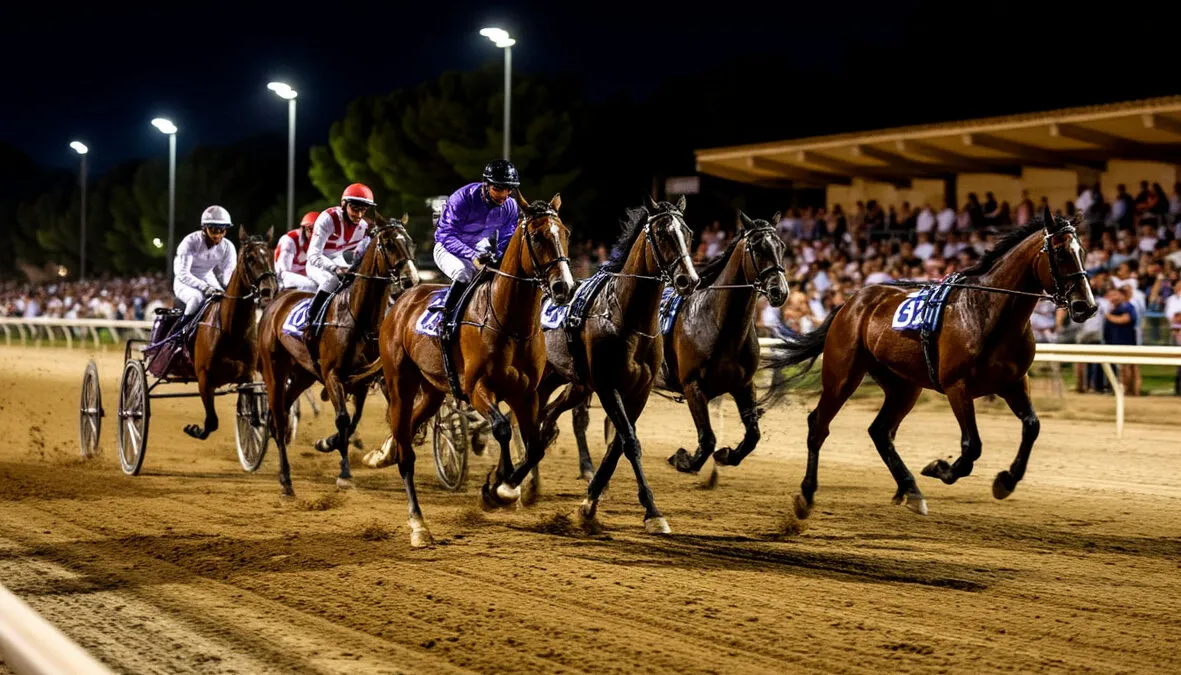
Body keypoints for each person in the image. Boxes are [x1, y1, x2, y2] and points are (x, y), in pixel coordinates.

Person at [434, 158, 521, 345]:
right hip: (447, 247)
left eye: (508, 189)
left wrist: (498, 258)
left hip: (479, 247)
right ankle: (445, 320)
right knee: (464, 272)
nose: (504, 195)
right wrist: (472, 256)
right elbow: (446, 235)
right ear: (486, 184)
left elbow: (506, 240)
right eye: (498, 188)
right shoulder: (462, 198)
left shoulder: (510, 207)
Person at [304, 184, 375, 342]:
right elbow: (313, 254)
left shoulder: (363, 227)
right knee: (331, 280)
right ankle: (310, 322)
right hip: (317, 261)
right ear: (344, 204)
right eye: (355, 209)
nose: (359, 214)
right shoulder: (328, 218)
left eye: (363, 210)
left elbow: (359, 256)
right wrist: (334, 268)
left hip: (338, 259)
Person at [171, 205, 237, 335]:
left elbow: (227, 276)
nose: (218, 234)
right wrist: (204, 287)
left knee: (225, 300)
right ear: (204, 228)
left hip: (207, 277)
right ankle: (178, 334)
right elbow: (183, 273)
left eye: (222, 230)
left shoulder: (228, 247)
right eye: (213, 229)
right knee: (196, 299)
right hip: (183, 281)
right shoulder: (190, 242)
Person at [275, 210, 319, 292]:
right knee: (312, 285)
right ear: (304, 229)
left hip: (303, 275)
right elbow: (283, 272)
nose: (315, 234)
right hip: (283, 276)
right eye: (311, 229)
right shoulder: (290, 240)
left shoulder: (319, 241)